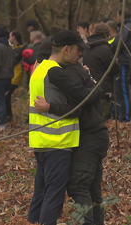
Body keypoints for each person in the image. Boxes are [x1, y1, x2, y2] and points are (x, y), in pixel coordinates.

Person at [28, 30, 104, 225]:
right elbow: (83, 99)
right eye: (78, 50)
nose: (80, 55)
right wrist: (96, 84)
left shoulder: (39, 70)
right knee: (55, 192)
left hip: (40, 141)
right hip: (58, 142)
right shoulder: (57, 72)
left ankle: (34, 221)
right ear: (66, 49)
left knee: (42, 190)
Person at [83, 22, 119, 120]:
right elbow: (115, 69)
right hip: (103, 93)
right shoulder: (105, 50)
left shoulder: (86, 48)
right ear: (107, 35)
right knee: (100, 122)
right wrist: (115, 62)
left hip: (89, 91)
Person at [111, 7, 131, 122]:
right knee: (122, 90)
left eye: (117, 15)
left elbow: (118, 43)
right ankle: (124, 116)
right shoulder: (126, 27)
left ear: (121, 16)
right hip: (124, 61)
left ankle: (126, 118)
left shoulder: (125, 28)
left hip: (124, 62)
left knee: (124, 90)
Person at [6, 30, 24, 122]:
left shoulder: (20, 49)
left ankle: (9, 117)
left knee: (7, 95)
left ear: (14, 37)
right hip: (12, 76)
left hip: (15, 77)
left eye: (10, 36)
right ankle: (8, 116)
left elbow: (12, 61)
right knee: (6, 96)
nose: (9, 38)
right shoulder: (16, 48)